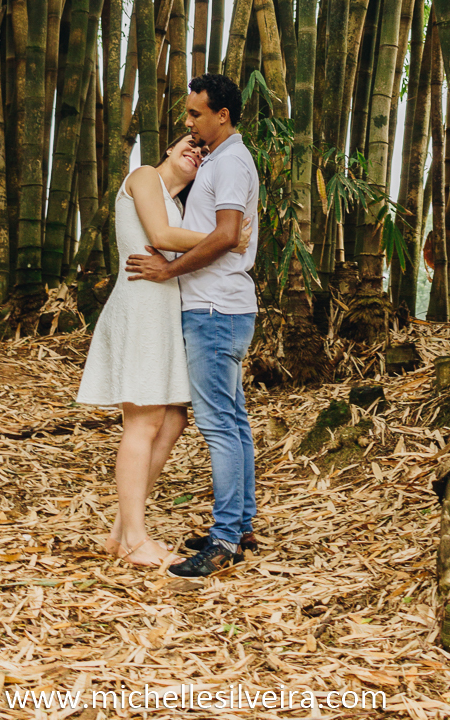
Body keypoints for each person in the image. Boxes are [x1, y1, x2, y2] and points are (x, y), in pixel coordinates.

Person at [76, 132, 250, 567]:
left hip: (164, 311)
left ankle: (119, 531)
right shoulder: (144, 177)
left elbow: (176, 235)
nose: (196, 149)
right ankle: (135, 538)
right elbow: (159, 234)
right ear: (169, 149)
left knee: (172, 420)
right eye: (187, 141)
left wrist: (217, 236)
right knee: (144, 419)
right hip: (141, 305)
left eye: (204, 149)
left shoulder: (178, 203)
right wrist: (226, 236)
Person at [127, 73, 260, 579]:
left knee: (220, 425)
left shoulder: (229, 163)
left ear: (221, 115)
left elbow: (226, 236)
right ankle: (240, 525)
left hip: (213, 311)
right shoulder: (225, 162)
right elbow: (225, 234)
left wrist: (166, 270)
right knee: (234, 419)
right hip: (224, 308)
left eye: (195, 115)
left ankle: (225, 540)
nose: (188, 123)